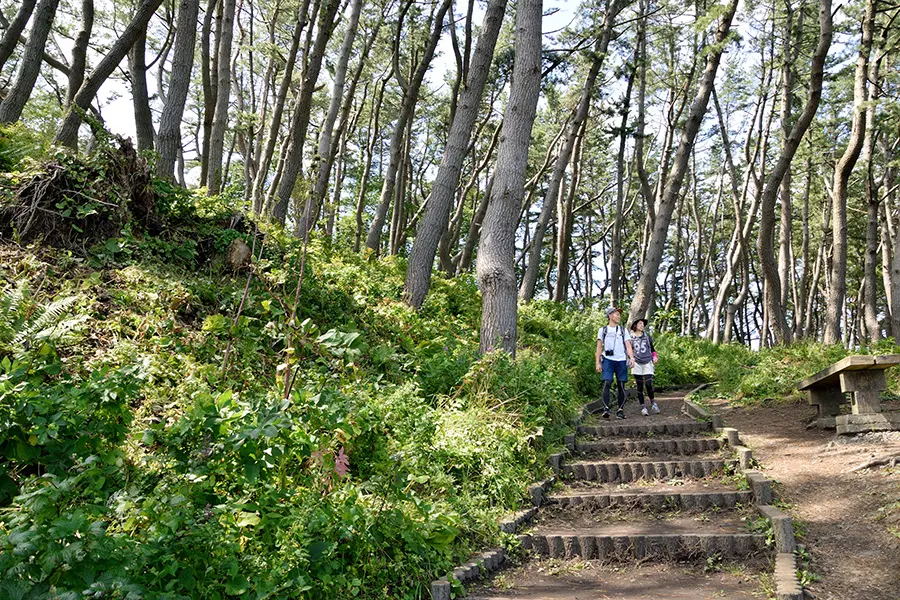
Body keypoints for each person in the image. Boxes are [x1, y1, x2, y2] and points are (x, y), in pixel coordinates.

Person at [595, 306, 634, 419]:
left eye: (619, 314)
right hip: (607, 359)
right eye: (617, 314)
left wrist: (631, 358)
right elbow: (598, 347)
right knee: (607, 382)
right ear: (610, 316)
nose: (619, 316)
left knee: (621, 385)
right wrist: (597, 362)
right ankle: (606, 408)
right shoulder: (603, 330)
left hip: (621, 360)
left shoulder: (623, 330)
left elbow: (628, 345)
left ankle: (620, 410)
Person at [630, 318, 659, 416]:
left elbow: (652, 348)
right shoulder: (630, 337)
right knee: (640, 386)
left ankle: (653, 403)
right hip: (637, 363)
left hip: (647, 362)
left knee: (649, 384)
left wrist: (654, 356)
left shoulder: (647, 336)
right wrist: (630, 359)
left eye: (643, 324)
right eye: (640, 323)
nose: (642, 325)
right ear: (635, 325)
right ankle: (643, 407)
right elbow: (628, 350)